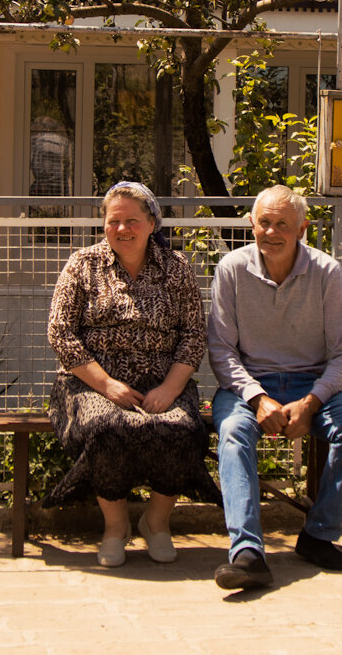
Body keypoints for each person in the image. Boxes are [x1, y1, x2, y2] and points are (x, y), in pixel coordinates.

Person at [207, 185, 342, 590]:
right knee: (232, 433)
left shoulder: (327, 272)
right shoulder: (231, 269)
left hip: (311, 383)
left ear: (301, 228)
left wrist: (313, 401)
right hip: (249, 384)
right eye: (264, 222)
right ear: (251, 223)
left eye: (282, 223)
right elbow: (221, 350)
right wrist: (257, 397)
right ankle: (247, 553)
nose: (272, 232)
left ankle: (318, 536)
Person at [45, 181, 221, 567]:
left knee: (182, 430)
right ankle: (116, 526)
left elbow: (193, 334)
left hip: (162, 382)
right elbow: (60, 332)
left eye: (132, 220)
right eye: (113, 221)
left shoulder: (176, 268)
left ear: (153, 223)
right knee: (107, 429)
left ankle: (156, 523)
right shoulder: (82, 264)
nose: (122, 229)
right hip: (90, 382)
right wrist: (107, 385)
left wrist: (171, 388)